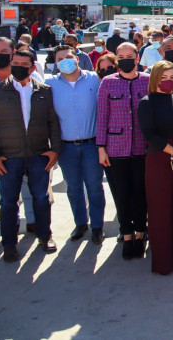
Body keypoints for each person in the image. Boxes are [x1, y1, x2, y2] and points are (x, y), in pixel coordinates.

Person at [0, 50, 61, 262]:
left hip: (38, 156)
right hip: (8, 158)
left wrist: (55, 150)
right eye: (14, 63)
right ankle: (9, 245)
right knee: (8, 203)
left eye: (23, 64)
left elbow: (53, 122)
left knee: (41, 199)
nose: (18, 66)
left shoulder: (44, 91)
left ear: (33, 68)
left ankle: (45, 236)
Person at [136, 61, 173, 274]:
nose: (168, 81)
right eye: (163, 77)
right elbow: (150, 134)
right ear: (155, 79)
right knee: (160, 209)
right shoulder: (146, 102)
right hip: (159, 158)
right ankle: (163, 259)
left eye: (172, 77)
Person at [46, 45, 105, 245]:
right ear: (55, 63)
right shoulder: (49, 84)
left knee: (95, 186)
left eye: (68, 57)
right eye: (60, 59)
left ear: (78, 58)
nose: (65, 61)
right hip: (66, 147)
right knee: (73, 187)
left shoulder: (94, 79)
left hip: (91, 144)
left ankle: (97, 226)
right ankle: (81, 223)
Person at [97, 42, 149, 260]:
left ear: (137, 58)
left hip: (141, 148)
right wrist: (101, 148)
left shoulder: (147, 81)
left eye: (130, 55)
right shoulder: (108, 83)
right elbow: (101, 117)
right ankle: (126, 234)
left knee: (140, 194)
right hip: (115, 149)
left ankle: (140, 233)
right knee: (121, 195)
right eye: (121, 56)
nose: (126, 59)